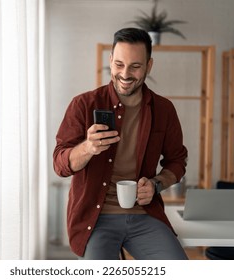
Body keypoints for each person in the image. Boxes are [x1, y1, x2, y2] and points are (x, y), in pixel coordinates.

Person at [53, 27, 188, 260]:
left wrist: (156, 184)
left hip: (145, 214)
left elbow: (177, 161)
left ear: (149, 65)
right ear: (110, 61)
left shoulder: (164, 110)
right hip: (95, 220)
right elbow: (60, 164)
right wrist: (87, 148)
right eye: (119, 64)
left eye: (135, 66)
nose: (125, 74)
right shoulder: (83, 104)